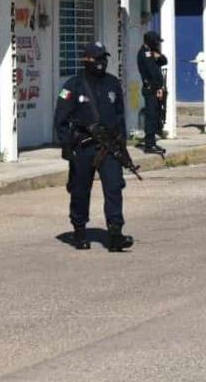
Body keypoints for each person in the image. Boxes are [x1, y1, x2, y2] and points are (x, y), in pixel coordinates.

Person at [54, 42, 134, 252]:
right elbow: (60, 118)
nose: (101, 62)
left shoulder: (113, 83)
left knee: (114, 187)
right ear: (86, 60)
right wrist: (66, 145)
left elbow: (119, 117)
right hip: (83, 147)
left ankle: (115, 232)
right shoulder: (73, 85)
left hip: (109, 147)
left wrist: (121, 144)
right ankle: (79, 231)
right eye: (97, 58)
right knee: (80, 190)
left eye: (104, 58)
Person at [136, 30, 167, 155]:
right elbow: (152, 73)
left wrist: (158, 56)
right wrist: (158, 88)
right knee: (151, 116)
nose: (157, 45)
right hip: (151, 89)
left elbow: (164, 61)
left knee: (156, 116)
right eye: (156, 43)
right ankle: (149, 144)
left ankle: (152, 142)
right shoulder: (145, 53)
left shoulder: (152, 52)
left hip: (155, 89)